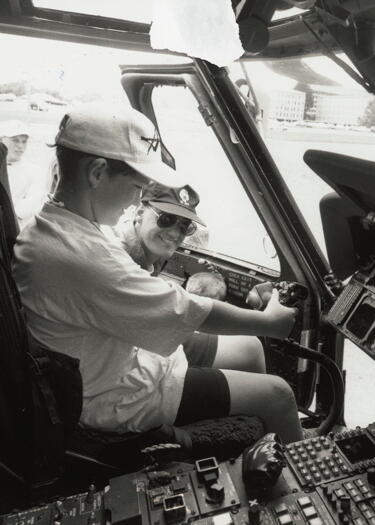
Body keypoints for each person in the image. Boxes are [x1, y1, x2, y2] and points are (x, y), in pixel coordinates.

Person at [12, 104, 304, 443]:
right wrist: (272, 323)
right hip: (116, 398)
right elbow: (181, 309)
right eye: (137, 186)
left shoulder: (64, 225)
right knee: (278, 394)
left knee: (250, 350)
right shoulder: (79, 255)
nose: (138, 198)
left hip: (118, 361)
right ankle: (301, 490)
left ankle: (257, 445)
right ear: (97, 172)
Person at [111, 181, 264, 374]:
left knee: (250, 347)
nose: (175, 233)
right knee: (251, 351)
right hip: (129, 356)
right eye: (166, 219)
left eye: (185, 226)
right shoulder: (122, 257)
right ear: (140, 213)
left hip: (139, 339)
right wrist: (269, 322)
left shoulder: (150, 251)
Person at [0, 120, 48, 229]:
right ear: (2, 140)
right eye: (15, 140)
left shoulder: (36, 172)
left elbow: (24, 210)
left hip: (15, 234)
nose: (20, 146)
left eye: (24, 141)